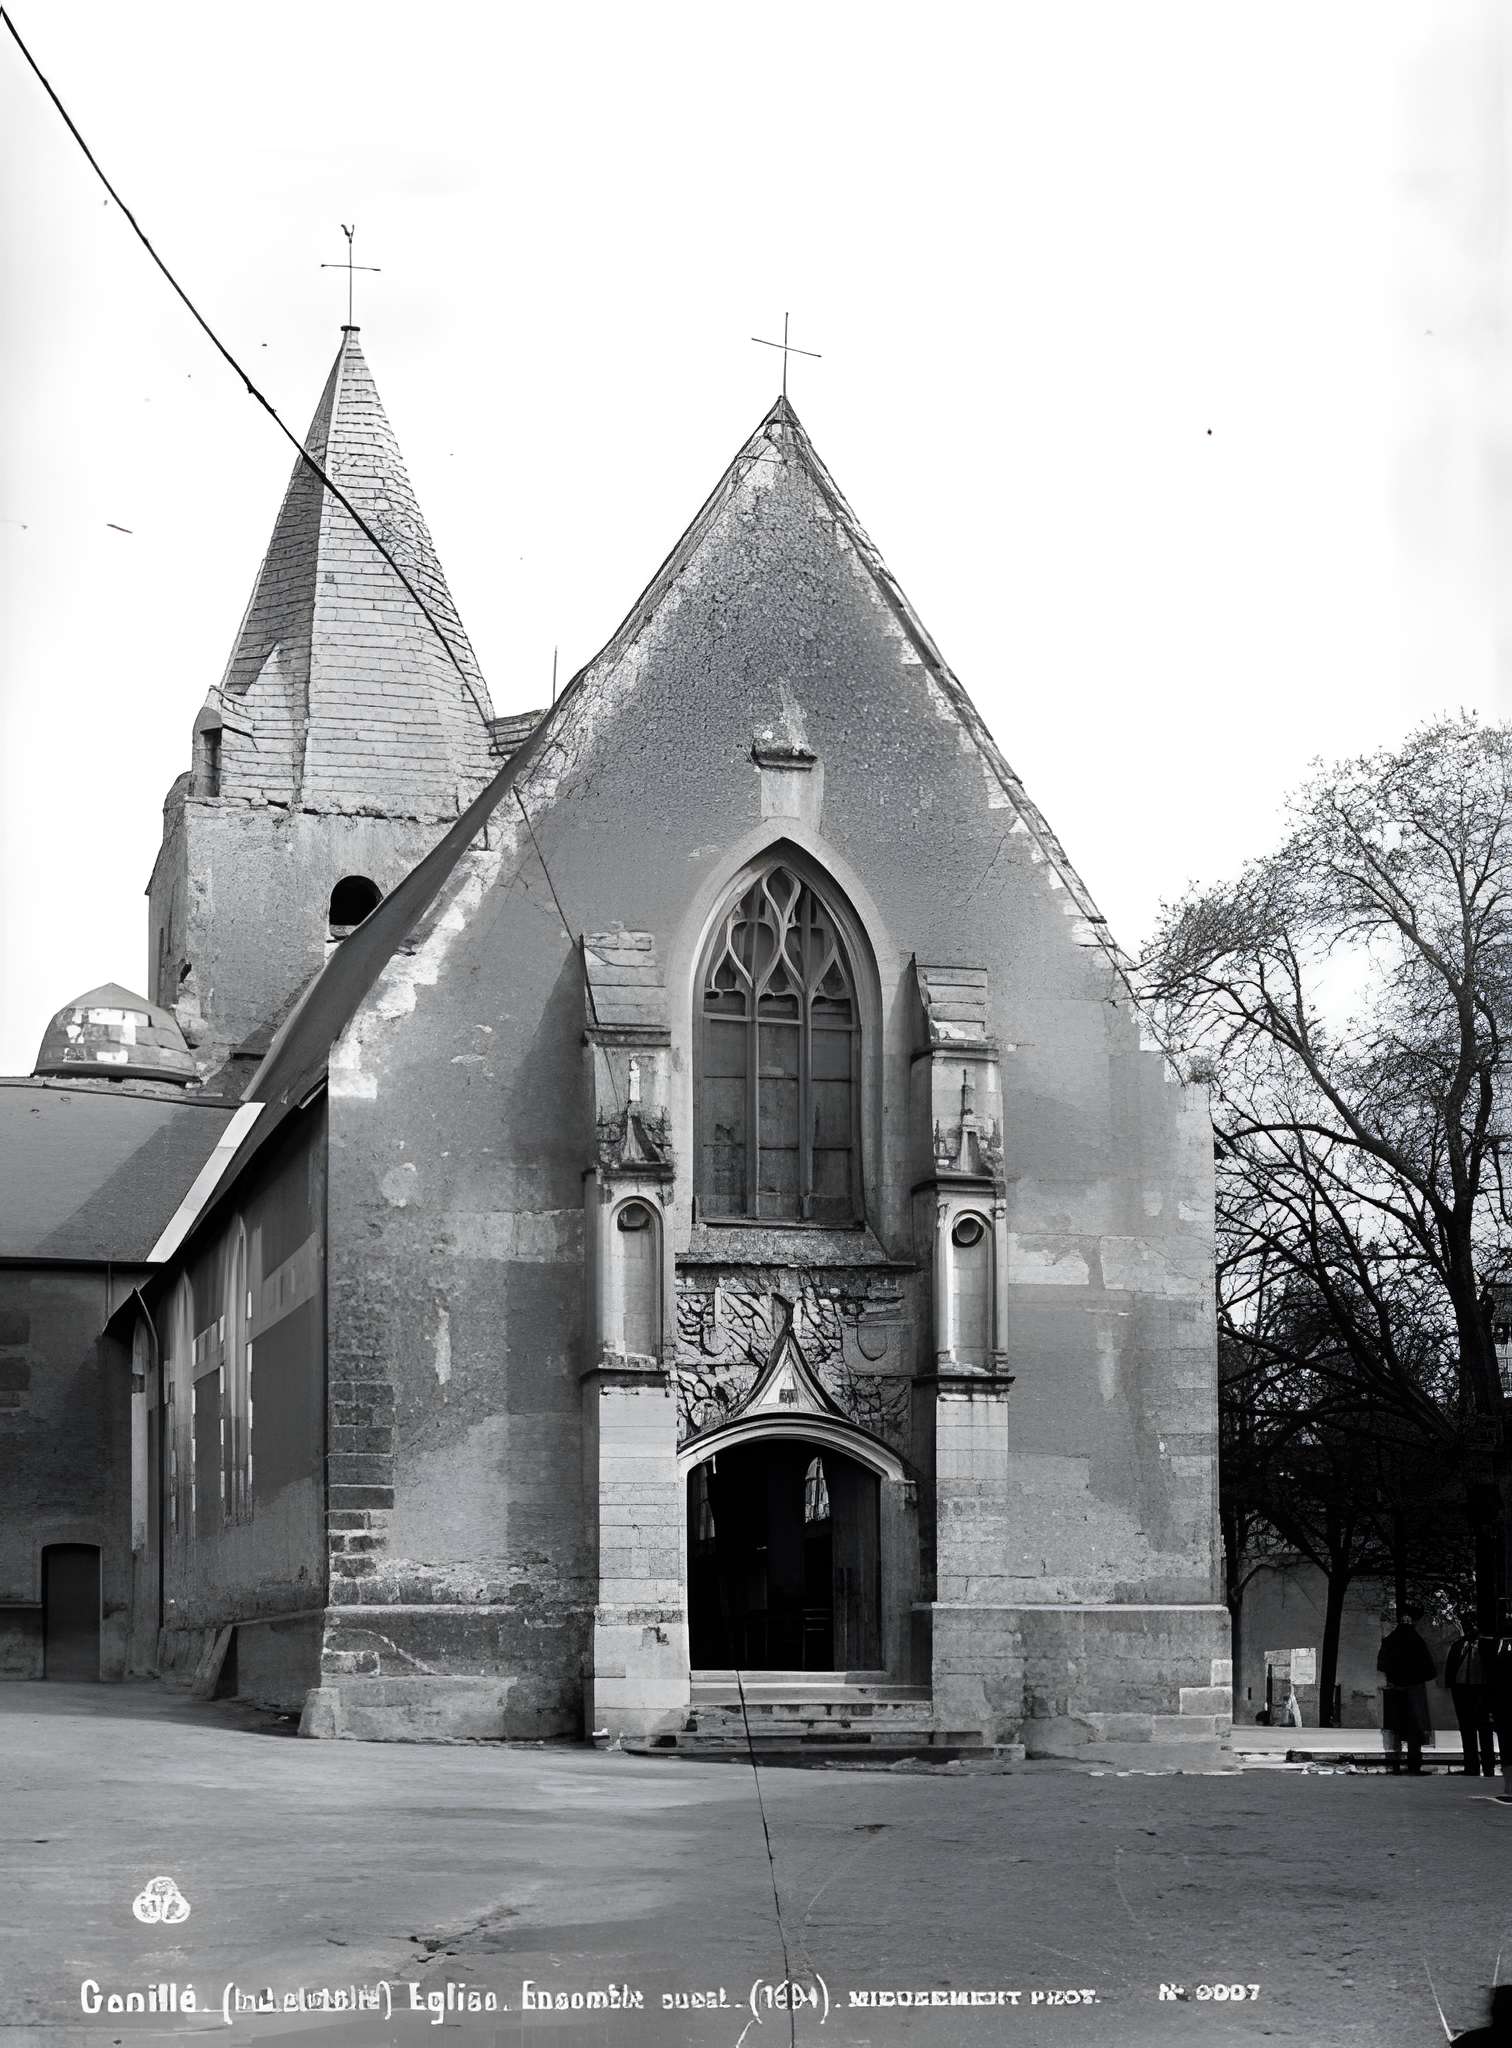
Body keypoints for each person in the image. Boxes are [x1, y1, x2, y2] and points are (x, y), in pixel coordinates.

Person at [1377, 1608, 1436, 1774]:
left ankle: (1395, 1763)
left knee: (1396, 1729)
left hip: (1396, 1690)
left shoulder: (1391, 1640)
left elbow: (1382, 1664)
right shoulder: (1417, 1641)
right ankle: (1414, 1764)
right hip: (1414, 1690)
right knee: (1414, 1731)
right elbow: (1430, 1669)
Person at [1445, 1613, 1498, 1776]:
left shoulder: (1486, 1645)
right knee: (1467, 1729)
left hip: (1481, 1689)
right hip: (1462, 1689)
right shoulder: (1459, 1645)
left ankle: (1488, 1767)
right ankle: (1471, 1766)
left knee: (1484, 1728)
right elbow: (1452, 1667)